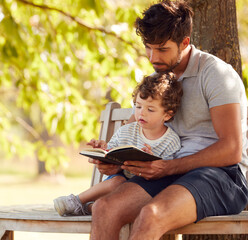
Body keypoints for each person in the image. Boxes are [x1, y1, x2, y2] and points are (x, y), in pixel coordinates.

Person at [89, 1, 248, 240]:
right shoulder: (157, 80)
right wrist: (114, 159)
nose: (153, 57)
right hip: (168, 169)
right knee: (105, 209)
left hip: (221, 175)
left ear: (184, 43)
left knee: (151, 215)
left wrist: (169, 167)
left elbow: (232, 150)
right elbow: (135, 130)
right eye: (148, 48)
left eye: (162, 49)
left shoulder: (216, 74)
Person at [53, 72, 183, 216]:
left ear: (167, 114)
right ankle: (76, 201)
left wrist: (152, 160)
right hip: (117, 183)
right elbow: (112, 150)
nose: (141, 114)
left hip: (146, 191)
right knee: (118, 182)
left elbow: (169, 173)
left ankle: (87, 208)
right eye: (138, 107)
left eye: (150, 109)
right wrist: (103, 149)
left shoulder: (171, 140)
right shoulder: (127, 131)